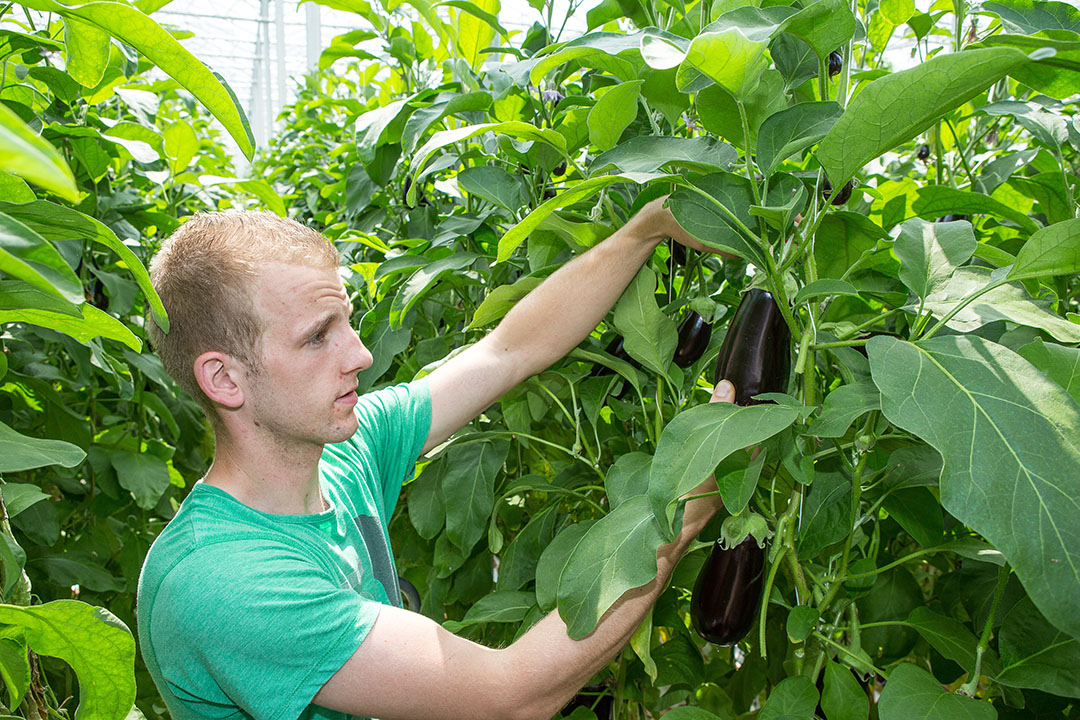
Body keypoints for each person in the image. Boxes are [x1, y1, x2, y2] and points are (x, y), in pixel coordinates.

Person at [136, 200, 734, 720]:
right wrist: (684, 507)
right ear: (224, 378)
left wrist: (644, 230)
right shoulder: (224, 583)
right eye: (318, 337)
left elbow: (508, 350)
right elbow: (512, 695)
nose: (361, 355)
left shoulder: (342, 454)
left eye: (348, 321)